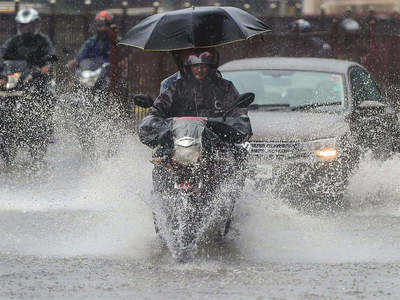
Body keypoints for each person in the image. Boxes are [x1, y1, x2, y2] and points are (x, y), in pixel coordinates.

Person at [138, 49, 252, 197]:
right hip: (179, 140)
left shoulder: (225, 87)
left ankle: (231, 197)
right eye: (195, 65)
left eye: (204, 65)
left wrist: (236, 123)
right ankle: (160, 199)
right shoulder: (176, 87)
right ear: (188, 67)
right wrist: (153, 122)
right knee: (160, 155)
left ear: (211, 66)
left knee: (236, 153)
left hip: (214, 139)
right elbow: (157, 111)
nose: (200, 69)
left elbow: (238, 112)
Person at [0, 8, 57, 83]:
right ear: (19, 26)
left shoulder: (43, 40)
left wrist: (47, 66)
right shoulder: (13, 41)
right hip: (15, 77)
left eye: (29, 26)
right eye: (23, 26)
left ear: (35, 25)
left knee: (45, 88)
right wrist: (3, 76)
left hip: (37, 76)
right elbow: (2, 55)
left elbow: (52, 55)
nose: (27, 29)